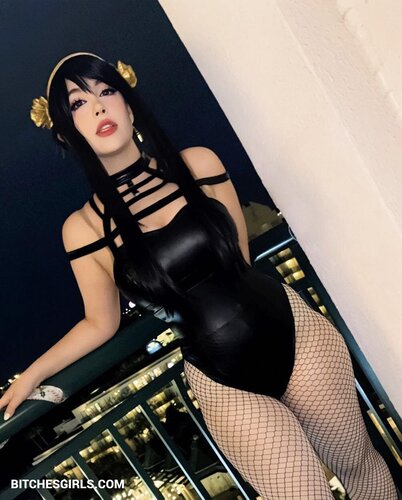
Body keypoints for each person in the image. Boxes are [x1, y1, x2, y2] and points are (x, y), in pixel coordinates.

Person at [0, 52, 397, 499]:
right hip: (221, 376)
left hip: (296, 336)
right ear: (65, 132)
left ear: (128, 104)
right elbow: (100, 322)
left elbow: (241, 261)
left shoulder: (198, 165)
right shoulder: (84, 228)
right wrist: (32, 375)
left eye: (107, 91)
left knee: (358, 465)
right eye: (78, 102)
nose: (98, 107)